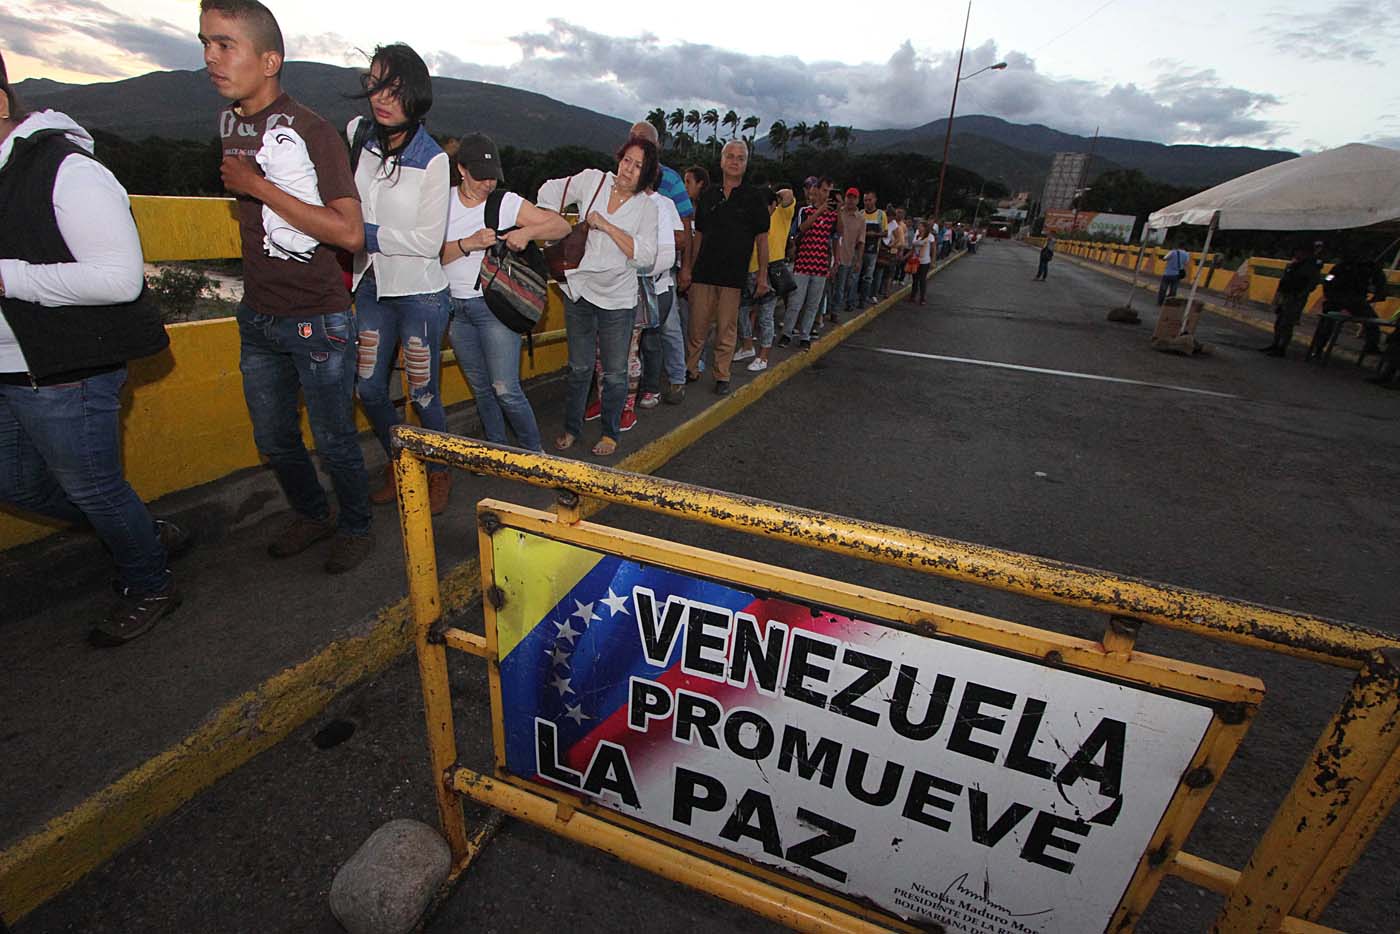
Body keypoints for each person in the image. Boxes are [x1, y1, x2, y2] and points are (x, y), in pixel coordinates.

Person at [0, 54, 190, 646]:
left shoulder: (68, 171)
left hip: (67, 374)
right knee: (15, 483)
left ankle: (150, 579)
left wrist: (10, 279)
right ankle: (140, 532)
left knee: (94, 488)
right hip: (12, 367)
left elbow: (118, 279)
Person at [200, 0, 373, 573]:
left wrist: (258, 185)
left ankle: (354, 525)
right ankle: (312, 513)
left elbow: (349, 233)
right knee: (274, 440)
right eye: (206, 43)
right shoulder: (229, 121)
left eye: (226, 45)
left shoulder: (313, 132)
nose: (211, 58)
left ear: (269, 59)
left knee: (333, 438)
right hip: (258, 315)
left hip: (317, 318)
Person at [345, 44, 453, 514]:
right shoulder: (358, 136)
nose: (381, 96)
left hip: (421, 294)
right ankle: (401, 463)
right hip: (370, 283)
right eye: (374, 84)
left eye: (394, 87)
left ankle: (440, 472)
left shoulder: (433, 160)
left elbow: (429, 242)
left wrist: (361, 233)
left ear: (415, 93)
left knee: (423, 392)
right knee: (367, 387)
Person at [441, 133, 568, 453]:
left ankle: (533, 455)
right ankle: (498, 452)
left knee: (505, 388)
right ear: (461, 170)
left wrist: (527, 231)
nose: (487, 184)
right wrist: (468, 244)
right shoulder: (440, 203)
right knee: (481, 388)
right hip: (454, 309)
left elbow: (561, 227)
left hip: (494, 307)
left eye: (493, 177)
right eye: (480, 177)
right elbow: (430, 256)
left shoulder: (505, 202)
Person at [537, 137, 659, 456]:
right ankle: (571, 427)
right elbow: (549, 190)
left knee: (615, 372)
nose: (629, 170)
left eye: (638, 167)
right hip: (580, 290)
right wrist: (556, 224)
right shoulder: (594, 180)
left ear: (646, 175)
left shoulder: (647, 207)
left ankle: (610, 432)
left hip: (618, 299)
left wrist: (605, 225)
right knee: (579, 367)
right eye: (627, 161)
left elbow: (645, 257)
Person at [685, 140, 771, 395]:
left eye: (740, 158)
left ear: (746, 163)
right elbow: (698, 235)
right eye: (730, 156)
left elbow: (762, 240)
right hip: (703, 274)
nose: (735, 161)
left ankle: (722, 375)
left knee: (726, 328)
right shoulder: (709, 195)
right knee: (696, 327)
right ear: (722, 160)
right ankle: (691, 369)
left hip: (734, 276)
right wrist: (688, 268)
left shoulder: (754, 197)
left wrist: (762, 276)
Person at [735, 185, 796, 371]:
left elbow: (788, 194)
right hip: (749, 271)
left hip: (771, 272)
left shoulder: (782, 215)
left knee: (765, 316)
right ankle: (747, 346)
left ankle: (764, 356)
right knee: (743, 311)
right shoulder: (752, 218)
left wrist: (773, 196)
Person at [779, 179, 840, 349]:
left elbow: (838, 234)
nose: (828, 194)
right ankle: (787, 333)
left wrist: (840, 209)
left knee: (813, 304)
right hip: (803, 263)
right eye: (825, 190)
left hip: (820, 265)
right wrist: (820, 210)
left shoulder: (833, 215)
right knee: (795, 302)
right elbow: (802, 228)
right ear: (818, 190)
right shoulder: (805, 210)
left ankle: (805, 335)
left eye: (830, 191)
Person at [1306, 249, 1388, 361]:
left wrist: (1377, 295)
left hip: (1352, 300)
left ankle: (1371, 346)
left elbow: (1381, 283)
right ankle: (1318, 349)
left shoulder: (1369, 267)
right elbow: (1328, 280)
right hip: (1341, 299)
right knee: (1327, 324)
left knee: (1372, 322)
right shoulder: (1346, 266)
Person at [1260, 243, 1323, 357]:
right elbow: (1284, 280)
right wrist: (1278, 296)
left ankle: (1282, 347)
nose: (1297, 253)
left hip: (1295, 297)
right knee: (1279, 322)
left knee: (1287, 323)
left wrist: (1301, 295)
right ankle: (1275, 343)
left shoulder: (1310, 266)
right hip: (1285, 295)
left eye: (1300, 251)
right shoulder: (1294, 264)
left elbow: (1312, 283)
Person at [833, 187, 865, 316]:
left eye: (854, 197)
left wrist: (859, 260)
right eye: (848, 197)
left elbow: (861, 241)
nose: (850, 200)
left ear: (857, 200)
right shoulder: (838, 211)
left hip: (847, 256)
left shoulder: (861, 219)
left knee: (841, 287)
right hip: (831, 255)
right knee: (828, 287)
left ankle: (835, 311)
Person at [858, 190, 887, 305]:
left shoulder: (881, 215)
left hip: (873, 250)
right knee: (856, 275)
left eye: (869, 200)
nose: (867, 203)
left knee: (868, 276)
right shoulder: (860, 214)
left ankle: (863, 299)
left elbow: (885, 233)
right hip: (859, 249)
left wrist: (874, 235)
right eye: (865, 200)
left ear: (875, 200)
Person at [909, 220, 935, 305]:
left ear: (924, 228)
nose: (918, 227)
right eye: (918, 226)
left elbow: (933, 249)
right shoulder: (916, 235)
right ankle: (913, 296)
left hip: (925, 261)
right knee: (915, 279)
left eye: (920, 226)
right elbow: (913, 248)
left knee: (922, 280)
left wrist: (932, 261)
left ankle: (922, 297)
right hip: (915, 260)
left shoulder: (930, 236)